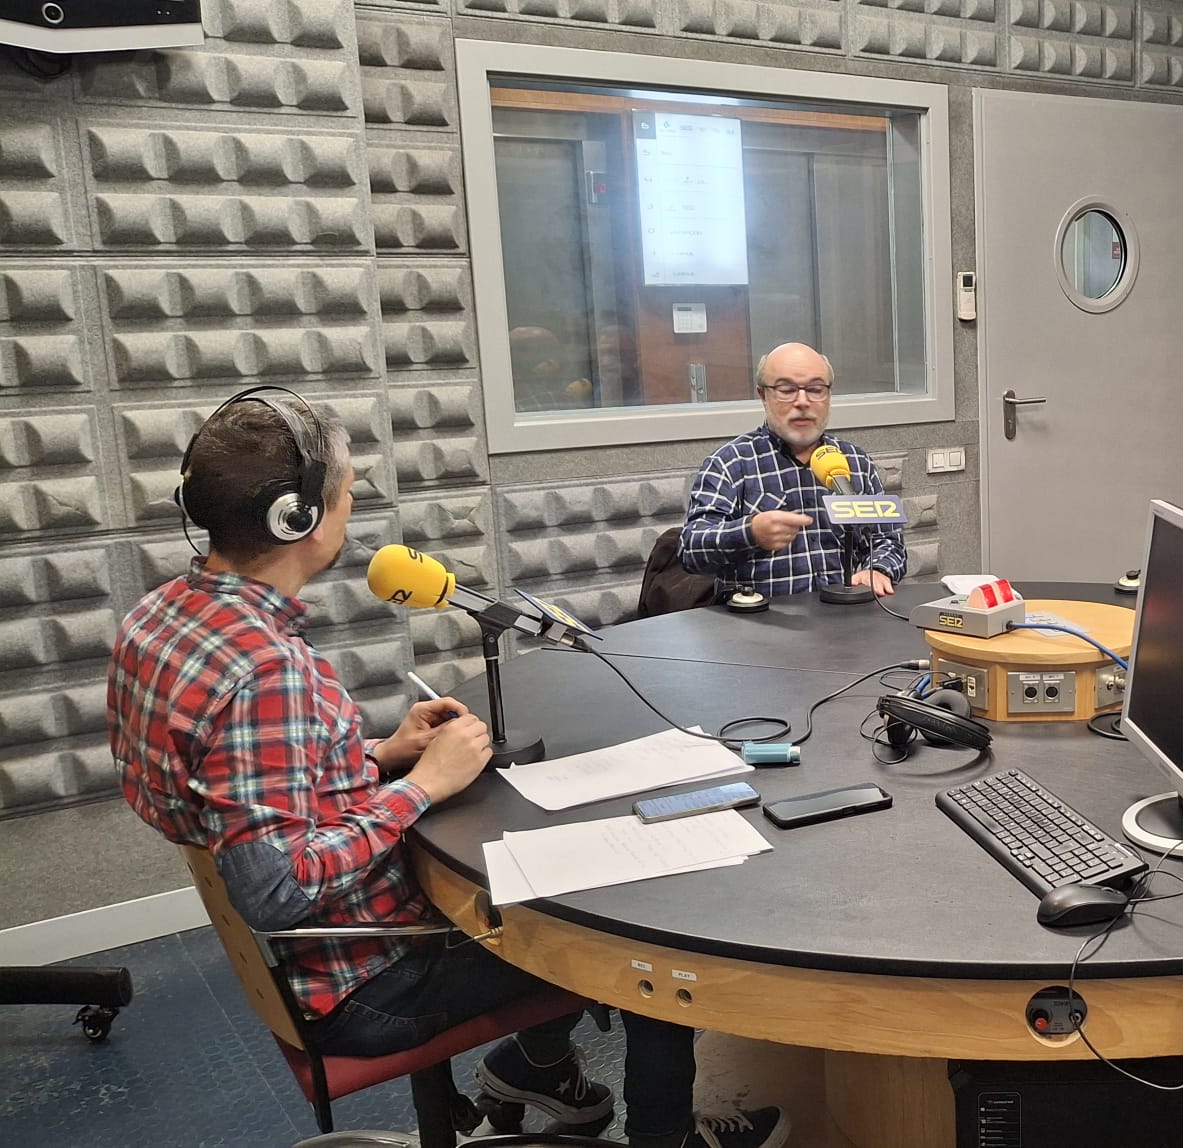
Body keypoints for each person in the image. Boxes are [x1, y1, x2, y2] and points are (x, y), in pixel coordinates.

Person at [107, 388, 787, 1148]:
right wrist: (420, 787)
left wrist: (374, 755)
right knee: (651, 954)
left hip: (302, 962)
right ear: (296, 517)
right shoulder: (268, 671)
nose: (354, 496)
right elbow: (275, 888)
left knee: (543, 877)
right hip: (370, 977)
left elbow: (232, 792)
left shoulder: (161, 617)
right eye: (347, 487)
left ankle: (536, 1071)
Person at [678, 342, 906, 598]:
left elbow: (888, 541)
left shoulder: (855, 462)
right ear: (763, 395)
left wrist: (877, 569)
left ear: (829, 395)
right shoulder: (730, 463)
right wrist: (750, 533)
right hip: (760, 626)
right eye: (786, 390)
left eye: (815, 389)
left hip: (844, 621)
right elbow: (691, 551)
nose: (802, 401)